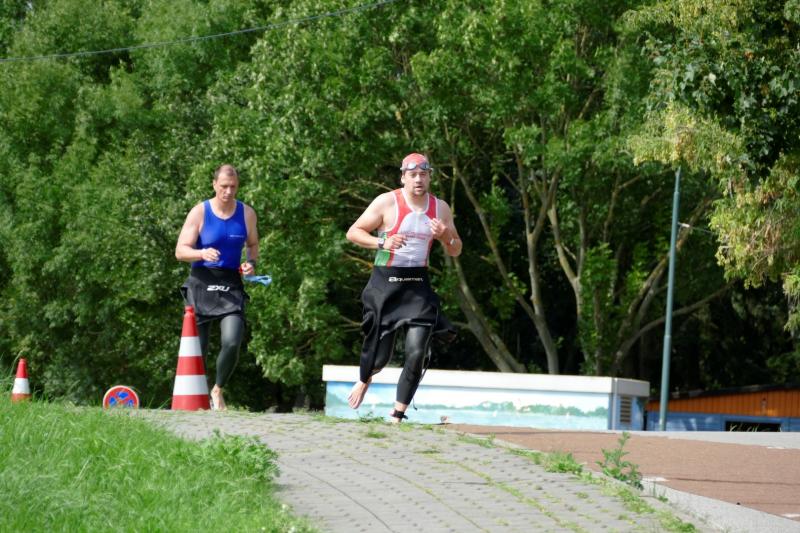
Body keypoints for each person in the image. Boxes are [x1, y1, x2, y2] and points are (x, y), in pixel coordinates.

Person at [346, 153, 462, 422]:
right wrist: (382, 242)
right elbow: (353, 232)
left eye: (423, 174)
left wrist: (446, 236)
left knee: (417, 352)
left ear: (430, 177)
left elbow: (456, 249)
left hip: (418, 286)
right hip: (386, 284)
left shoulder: (440, 208)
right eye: (413, 175)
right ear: (403, 178)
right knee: (379, 359)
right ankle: (366, 377)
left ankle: (398, 415)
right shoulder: (386, 202)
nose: (418, 179)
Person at [175, 164, 259, 411]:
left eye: (233, 187)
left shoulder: (247, 213)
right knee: (197, 350)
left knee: (232, 341)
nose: (228, 191)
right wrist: (201, 253)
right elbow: (180, 251)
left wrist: (251, 264)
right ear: (214, 185)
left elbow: (252, 245)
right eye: (224, 186)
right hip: (201, 282)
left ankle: (218, 389)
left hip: (230, 283)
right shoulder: (200, 212)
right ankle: (195, 399)